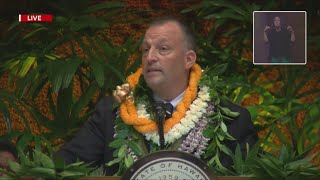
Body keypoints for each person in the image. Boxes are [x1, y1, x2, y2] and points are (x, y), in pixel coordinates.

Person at [54, 16, 258, 175]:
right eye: (145, 49)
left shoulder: (232, 119)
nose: (150, 57)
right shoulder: (112, 113)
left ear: (188, 60)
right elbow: (63, 166)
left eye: (163, 49)